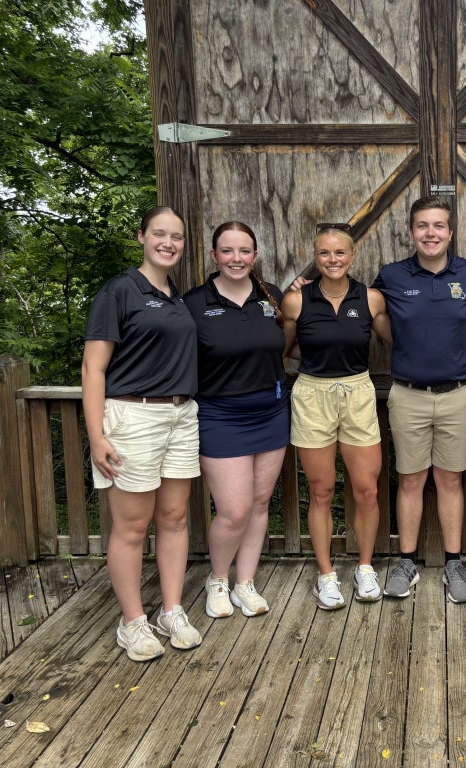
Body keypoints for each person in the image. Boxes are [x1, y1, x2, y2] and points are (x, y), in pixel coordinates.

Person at [82, 205, 203, 661]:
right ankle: (132, 621)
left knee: (173, 519)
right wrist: (97, 435)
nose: (168, 243)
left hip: (180, 415)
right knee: (131, 526)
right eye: (159, 235)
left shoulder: (177, 296)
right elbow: (94, 368)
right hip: (133, 417)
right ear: (142, 237)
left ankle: (171, 609)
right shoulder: (119, 291)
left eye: (176, 236)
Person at [372, 195, 466, 603]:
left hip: (458, 394)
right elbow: (365, 309)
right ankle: (406, 562)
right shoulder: (391, 275)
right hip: (407, 395)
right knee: (410, 479)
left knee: (450, 479)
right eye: (423, 226)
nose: (431, 233)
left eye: (438, 225)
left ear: (450, 232)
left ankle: (454, 564)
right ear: (411, 232)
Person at [182, 221, 290, 621]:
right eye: (227, 251)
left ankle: (245, 583)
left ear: (254, 256)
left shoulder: (271, 297)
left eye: (244, 251)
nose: (236, 259)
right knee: (233, 510)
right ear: (214, 256)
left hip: (272, 411)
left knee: (260, 503)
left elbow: (286, 344)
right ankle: (218, 579)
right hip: (220, 415)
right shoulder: (195, 303)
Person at [281, 225, 391, 609]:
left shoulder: (371, 298)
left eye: (339, 253)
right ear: (316, 256)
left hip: (358, 391)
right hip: (312, 393)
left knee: (366, 490)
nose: (332, 260)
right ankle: (326, 574)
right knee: (322, 491)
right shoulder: (297, 301)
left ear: (352, 256)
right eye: (324, 253)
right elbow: (282, 346)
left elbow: (394, 340)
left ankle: (364, 568)